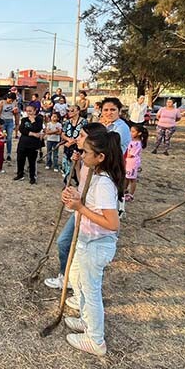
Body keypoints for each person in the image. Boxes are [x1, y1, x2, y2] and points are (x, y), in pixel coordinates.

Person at [61, 131, 125, 356]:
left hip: (97, 243)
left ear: (100, 157)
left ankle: (96, 340)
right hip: (87, 238)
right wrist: (73, 201)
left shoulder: (104, 183)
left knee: (90, 290)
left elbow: (112, 223)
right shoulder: (94, 176)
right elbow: (85, 206)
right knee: (78, 282)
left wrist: (80, 208)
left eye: (87, 152)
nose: (82, 153)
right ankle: (87, 321)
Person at [44, 122, 107, 291]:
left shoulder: (100, 167)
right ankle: (69, 279)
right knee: (67, 244)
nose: (77, 139)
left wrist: (79, 204)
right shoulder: (87, 159)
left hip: (89, 213)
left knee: (66, 243)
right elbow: (82, 182)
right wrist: (78, 165)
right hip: (81, 209)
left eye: (81, 136)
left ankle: (71, 281)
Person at [14, 103, 44, 184]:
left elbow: (37, 128)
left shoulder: (39, 119)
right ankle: (20, 174)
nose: (28, 113)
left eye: (30, 111)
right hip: (23, 143)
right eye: (27, 111)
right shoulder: (24, 120)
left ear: (35, 111)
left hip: (33, 145)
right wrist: (33, 134)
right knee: (20, 160)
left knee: (32, 162)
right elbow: (22, 130)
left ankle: (32, 177)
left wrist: (33, 121)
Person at [61, 105, 88, 180]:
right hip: (68, 146)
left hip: (78, 147)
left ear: (78, 111)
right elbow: (62, 133)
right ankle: (68, 182)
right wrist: (68, 139)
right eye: (68, 111)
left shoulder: (84, 121)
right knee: (67, 166)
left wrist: (74, 141)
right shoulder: (67, 122)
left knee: (77, 167)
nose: (69, 112)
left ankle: (79, 182)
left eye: (72, 110)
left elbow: (85, 135)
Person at [124, 123, 148, 201]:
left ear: (139, 133)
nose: (131, 133)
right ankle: (124, 190)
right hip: (128, 162)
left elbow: (131, 154)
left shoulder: (137, 143)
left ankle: (131, 194)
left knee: (132, 179)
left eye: (133, 131)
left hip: (132, 163)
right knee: (126, 177)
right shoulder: (131, 141)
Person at [0, 92, 20, 161]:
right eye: (10, 100)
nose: (11, 101)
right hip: (3, 121)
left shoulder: (14, 103)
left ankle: (8, 154)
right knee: (2, 137)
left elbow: (16, 114)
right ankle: (1, 154)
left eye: (12, 100)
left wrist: (16, 121)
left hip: (10, 121)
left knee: (9, 138)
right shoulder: (2, 102)